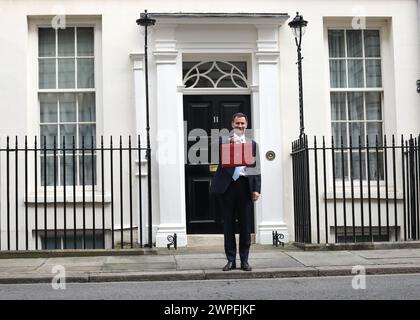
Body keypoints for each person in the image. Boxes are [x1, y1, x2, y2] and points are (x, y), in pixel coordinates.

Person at [210, 113, 261, 271]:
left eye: (242, 124)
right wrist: (228, 142)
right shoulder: (224, 140)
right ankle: (230, 260)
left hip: (245, 186)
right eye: (237, 123)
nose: (240, 126)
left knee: (245, 226)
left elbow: (256, 168)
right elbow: (215, 151)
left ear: (246, 125)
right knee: (229, 225)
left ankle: (244, 261)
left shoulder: (252, 144)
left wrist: (257, 189)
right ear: (232, 124)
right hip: (228, 187)